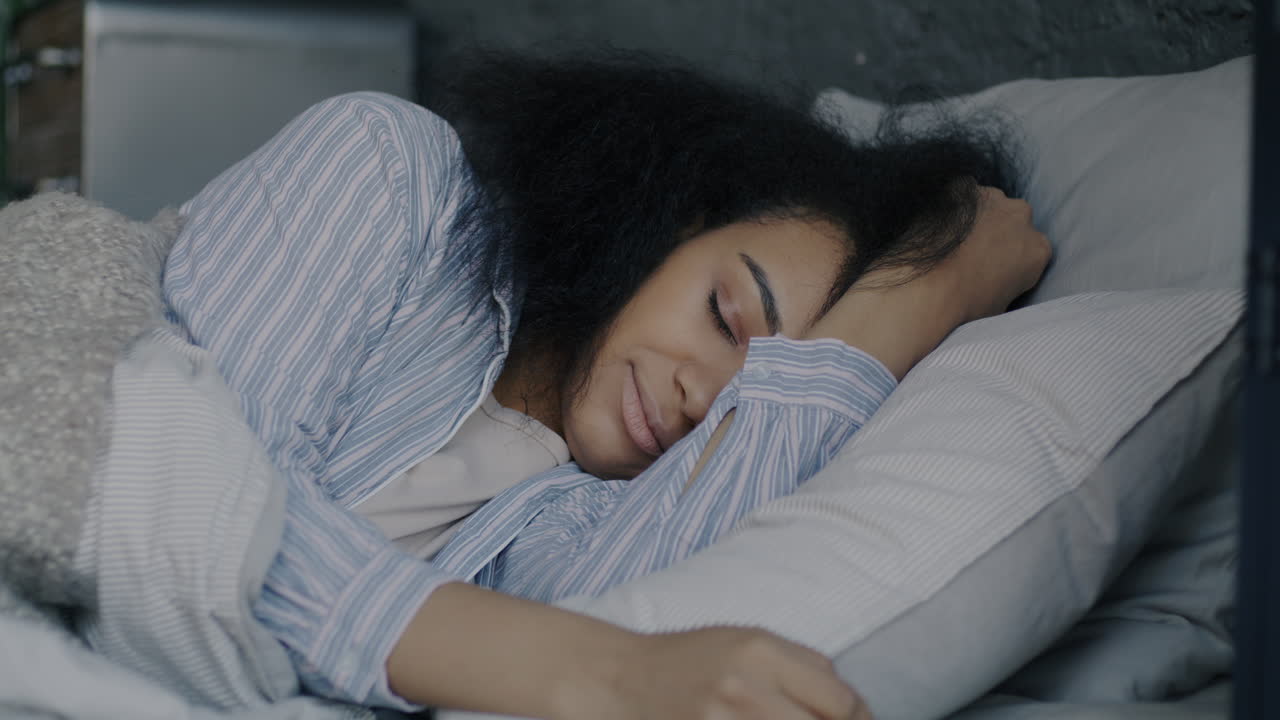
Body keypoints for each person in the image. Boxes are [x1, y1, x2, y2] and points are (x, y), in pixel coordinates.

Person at [160, 51, 1049, 720]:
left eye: (750, 394)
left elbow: (645, 632)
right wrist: (586, 669)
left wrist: (906, 310)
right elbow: (179, 500)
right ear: (672, 222)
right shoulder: (393, 179)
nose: (707, 395)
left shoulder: (589, 510)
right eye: (725, 315)